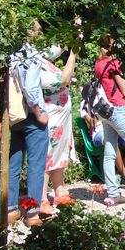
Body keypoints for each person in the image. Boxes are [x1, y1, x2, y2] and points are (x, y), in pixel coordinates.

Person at [7, 22, 51, 227]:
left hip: (13, 114)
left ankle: (9, 209)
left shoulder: (9, 53)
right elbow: (31, 86)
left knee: (13, 162)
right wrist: (39, 112)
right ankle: (32, 212)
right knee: (36, 164)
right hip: (31, 114)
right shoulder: (30, 54)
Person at [94, 34, 125, 206]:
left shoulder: (98, 63)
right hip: (117, 108)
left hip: (105, 111)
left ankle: (113, 193)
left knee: (109, 152)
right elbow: (122, 85)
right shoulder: (112, 63)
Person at [41, 45, 78, 208]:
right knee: (48, 153)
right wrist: (73, 55)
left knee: (61, 150)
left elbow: (58, 49)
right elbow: (63, 80)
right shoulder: (33, 63)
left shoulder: (42, 57)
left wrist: (73, 36)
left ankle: (59, 189)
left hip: (61, 116)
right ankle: (41, 197)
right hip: (50, 115)